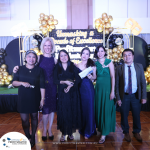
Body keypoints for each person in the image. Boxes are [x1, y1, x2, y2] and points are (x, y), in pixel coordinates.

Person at [13, 37, 57, 141]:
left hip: (52, 88)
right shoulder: (39, 57)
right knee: (44, 112)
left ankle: (50, 130)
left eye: (49, 45)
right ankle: (43, 130)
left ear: (52, 47)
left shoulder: (55, 59)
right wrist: (16, 68)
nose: (47, 47)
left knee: (51, 111)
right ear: (42, 46)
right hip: (40, 87)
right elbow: (29, 66)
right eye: (45, 45)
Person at [12, 50, 45, 148]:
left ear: (36, 59)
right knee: (24, 119)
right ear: (26, 58)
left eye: (34, 57)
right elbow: (14, 83)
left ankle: (33, 137)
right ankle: (27, 136)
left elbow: (42, 85)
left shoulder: (40, 70)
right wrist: (22, 83)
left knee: (35, 117)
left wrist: (42, 99)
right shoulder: (19, 69)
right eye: (29, 56)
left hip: (35, 97)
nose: (31, 59)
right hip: (23, 98)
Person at [115, 48, 147, 142]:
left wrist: (144, 96)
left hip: (136, 96)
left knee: (136, 114)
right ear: (123, 57)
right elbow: (116, 84)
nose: (127, 57)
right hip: (124, 96)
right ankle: (126, 132)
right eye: (125, 55)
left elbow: (142, 83)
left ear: (132, 56)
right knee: (124, 115)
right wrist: (118, 98)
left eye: (129, 55)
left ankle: (136, 132)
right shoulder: (119, 68)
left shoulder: (139, 66)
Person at [53, 49, 81, 142]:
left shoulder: (73, 65)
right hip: (62, 93)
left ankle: (70, 133)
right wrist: (64, 82)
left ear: (68, 56)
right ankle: (63, 133)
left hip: (73, 93)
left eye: (65, 55)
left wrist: (70, 85)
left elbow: (78, 79)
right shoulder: (57, 67)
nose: (64, 57)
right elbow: (55, 80)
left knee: (71, 113)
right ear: (59, 57)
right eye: (61, 55)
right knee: (63, 113)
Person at [94, 45, 116, 144]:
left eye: (102, 51)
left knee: (106, 109)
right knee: (99, 109)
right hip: (98, 90)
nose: (100, 53)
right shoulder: (95, 64)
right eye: (98, 51)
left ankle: (104, 134)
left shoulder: (109, 62)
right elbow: (94, 77)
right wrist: (89, 75)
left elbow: (113, 77)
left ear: (104, 52)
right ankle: (101, 128)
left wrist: (113, 91)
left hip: (107, 89)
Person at [76, 47, 96, 139]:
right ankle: (82, 129)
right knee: (81, 109)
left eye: (87, 54)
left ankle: (89, 130)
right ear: (81, 54)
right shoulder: (76, 65)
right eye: (83, 53)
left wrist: (90, 77)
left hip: (88, 89)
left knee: (89, 109)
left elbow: (94, 77)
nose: (85, 55)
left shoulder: (92, 65)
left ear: (89, 56)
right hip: (79, 89)